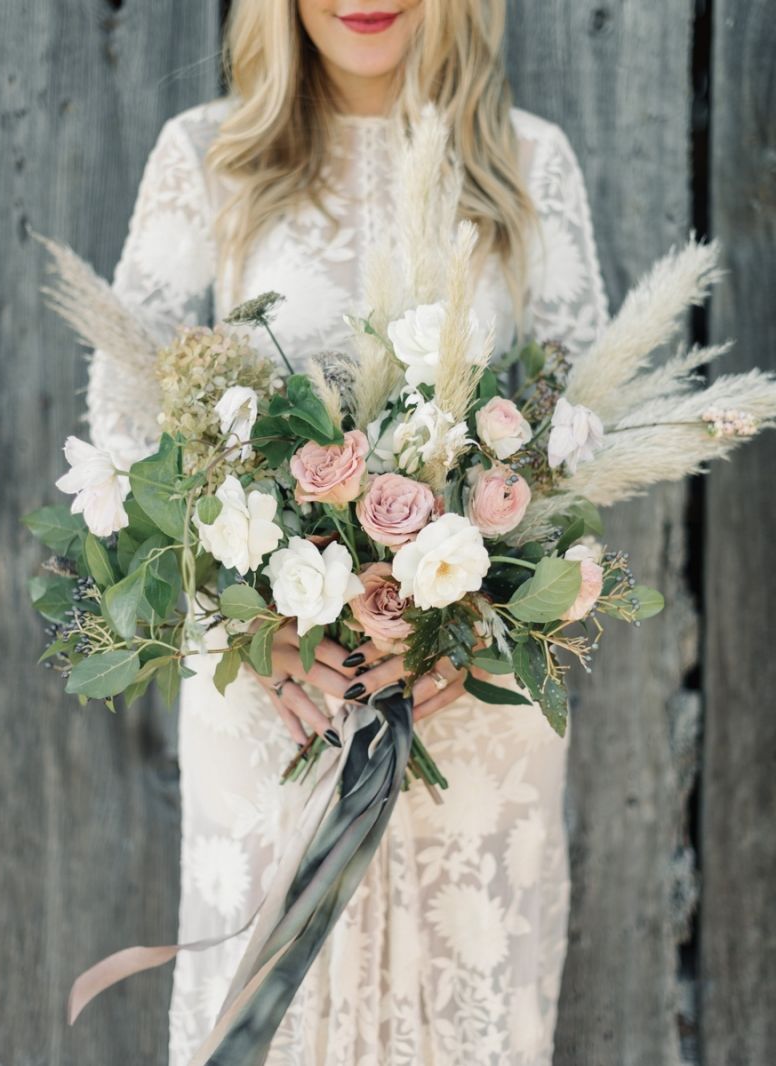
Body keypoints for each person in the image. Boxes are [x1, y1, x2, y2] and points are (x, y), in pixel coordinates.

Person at [85, 1, 609, 1062]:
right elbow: (122, 438)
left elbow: (583, 440)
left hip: (469, 713)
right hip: (274, 704)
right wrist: (245, 633)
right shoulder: (207, 157)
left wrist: (481, 620)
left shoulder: (525, 165)